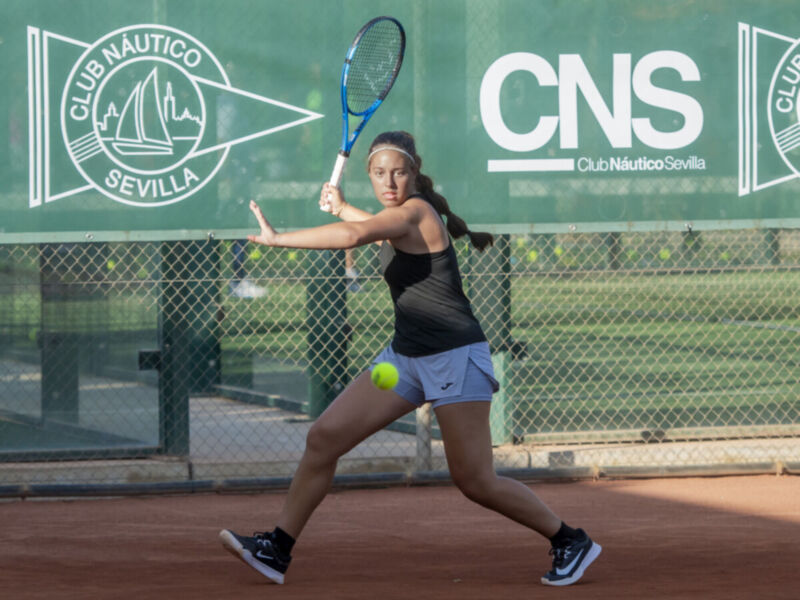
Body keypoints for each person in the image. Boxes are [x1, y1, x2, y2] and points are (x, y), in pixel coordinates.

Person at [219, 131, 601, 586]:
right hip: (403, 361)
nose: (390, 182)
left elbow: (359, 235)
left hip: (455, 360)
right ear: (370, 176)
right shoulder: (398, 220)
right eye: (379, 173)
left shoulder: (418, 211)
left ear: (414, 173)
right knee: (324, 437)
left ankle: (569, 539)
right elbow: (375, 230)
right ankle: (277, 548)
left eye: (399, 172)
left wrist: (279, 239)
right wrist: (342, 208)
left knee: (475, 480)